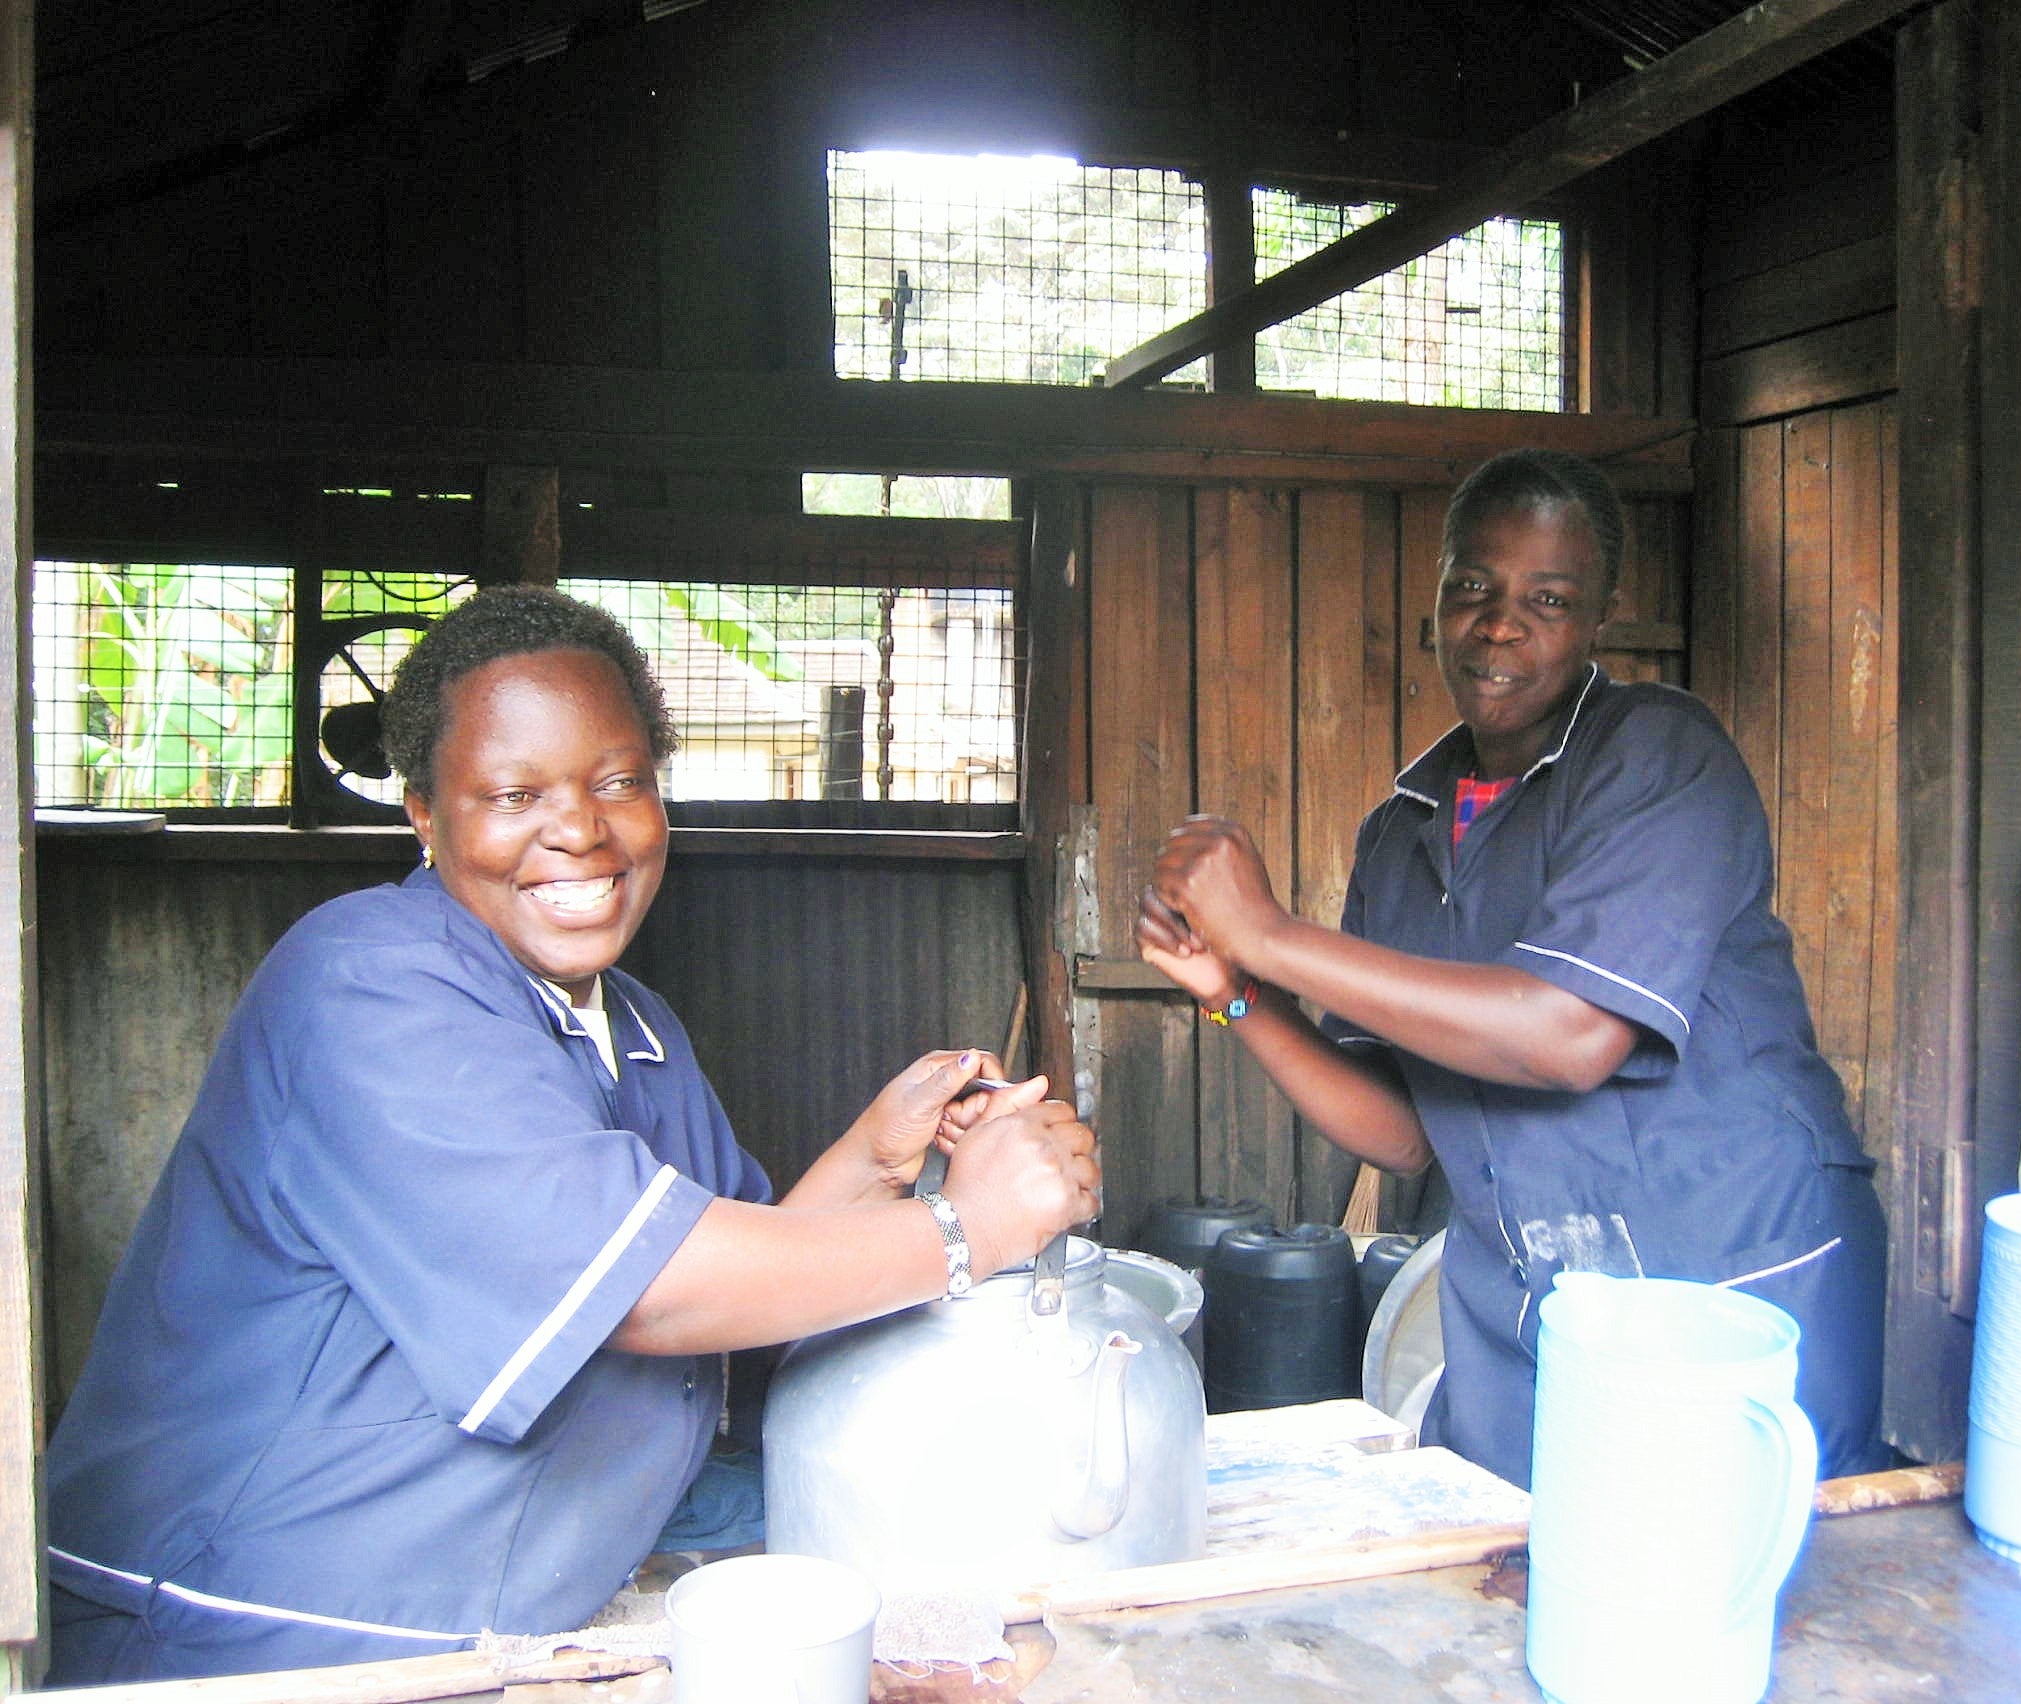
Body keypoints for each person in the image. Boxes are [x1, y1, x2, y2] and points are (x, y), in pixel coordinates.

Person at [43, 586, 1098, 1684]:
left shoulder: (632, 1028)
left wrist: (879, 1158)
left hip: (494, 1614)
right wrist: (973, 1224)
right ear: (423, 814)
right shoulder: (366, 983)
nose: (582, 829)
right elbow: (652, 1293)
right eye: (514, 792)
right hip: (257, 1626)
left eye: (619, 782)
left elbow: (733, 1293)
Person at [1138, 448, 1888, 1489]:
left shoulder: (1660, 758)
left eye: (1548, 598)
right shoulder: (1401, 833)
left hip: (1725, 1271)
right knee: (1515, 1593)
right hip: (1537, 1303)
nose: (1500, 625)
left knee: (1735, 1594)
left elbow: (1569, 1035)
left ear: (1597, 620)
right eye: (1473, 589)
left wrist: (1268, 935)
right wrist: (1233, 995)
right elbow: (1404, 1134)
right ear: (1435, 600)